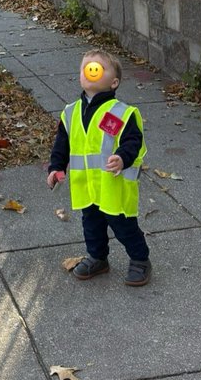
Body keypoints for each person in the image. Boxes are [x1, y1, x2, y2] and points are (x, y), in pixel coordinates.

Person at [47, 49, 152, 286]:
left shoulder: (119, 112)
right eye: (86, 68)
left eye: (97, 69)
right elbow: (62, 145)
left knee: (123, 225)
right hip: (87, 186)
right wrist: (56, 167)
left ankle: (140, 259)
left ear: (114, 82)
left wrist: (122, 158)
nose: (90, 72)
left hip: (113, 184)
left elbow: (132, 141)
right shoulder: (71, 112)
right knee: (91, 225)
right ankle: (98, 257)